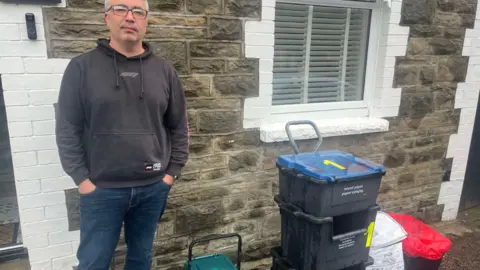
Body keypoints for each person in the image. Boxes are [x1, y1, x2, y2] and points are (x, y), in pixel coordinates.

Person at [54, 0, 189, 268]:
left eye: (138, 12)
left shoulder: (165, 71)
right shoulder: (81, 68)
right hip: (101, 190)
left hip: (152, 188)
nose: (130, 17)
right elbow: (67, 128)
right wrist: (82, 180)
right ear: (106, 18)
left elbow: (179, 126)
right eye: (120, 9)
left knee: (141, 259)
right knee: (94, 262)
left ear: (146, 20)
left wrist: (170, 174)